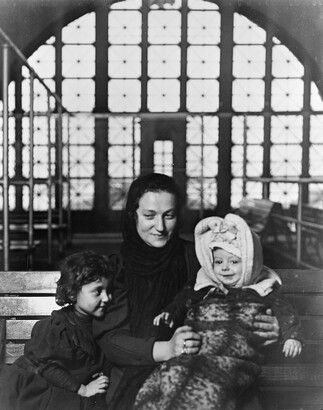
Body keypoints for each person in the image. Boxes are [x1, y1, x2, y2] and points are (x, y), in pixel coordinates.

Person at [93, 173, 281, 410]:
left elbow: (247, 284)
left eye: (168, 216)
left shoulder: (199, 259)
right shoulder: (116, 268)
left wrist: (274, 327)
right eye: (149, 216)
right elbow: (110, 340)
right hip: (137, 369)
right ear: (133, 216)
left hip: (207, 367)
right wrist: (166, 349)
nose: (160, 227)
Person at [134, 214, 302, 409]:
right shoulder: (206, 288)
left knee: (210, 384)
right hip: (195, 353)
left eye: (234, 262)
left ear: (249, 262)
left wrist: (292, 336)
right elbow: (183, 301)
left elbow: (286, 312)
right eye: (219, 262)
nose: (225, 268)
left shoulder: (262, 290)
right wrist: (170, 313)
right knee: (168, 374)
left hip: (232, 357)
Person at [0, 251, 114, 410]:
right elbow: (46, 367)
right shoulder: (58, 327)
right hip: (36, 386)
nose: (107, 298)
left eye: (108, 291)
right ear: (73, 293)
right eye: (97, 291)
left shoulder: (101, 323)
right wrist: (83, 389)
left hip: (63, 388)